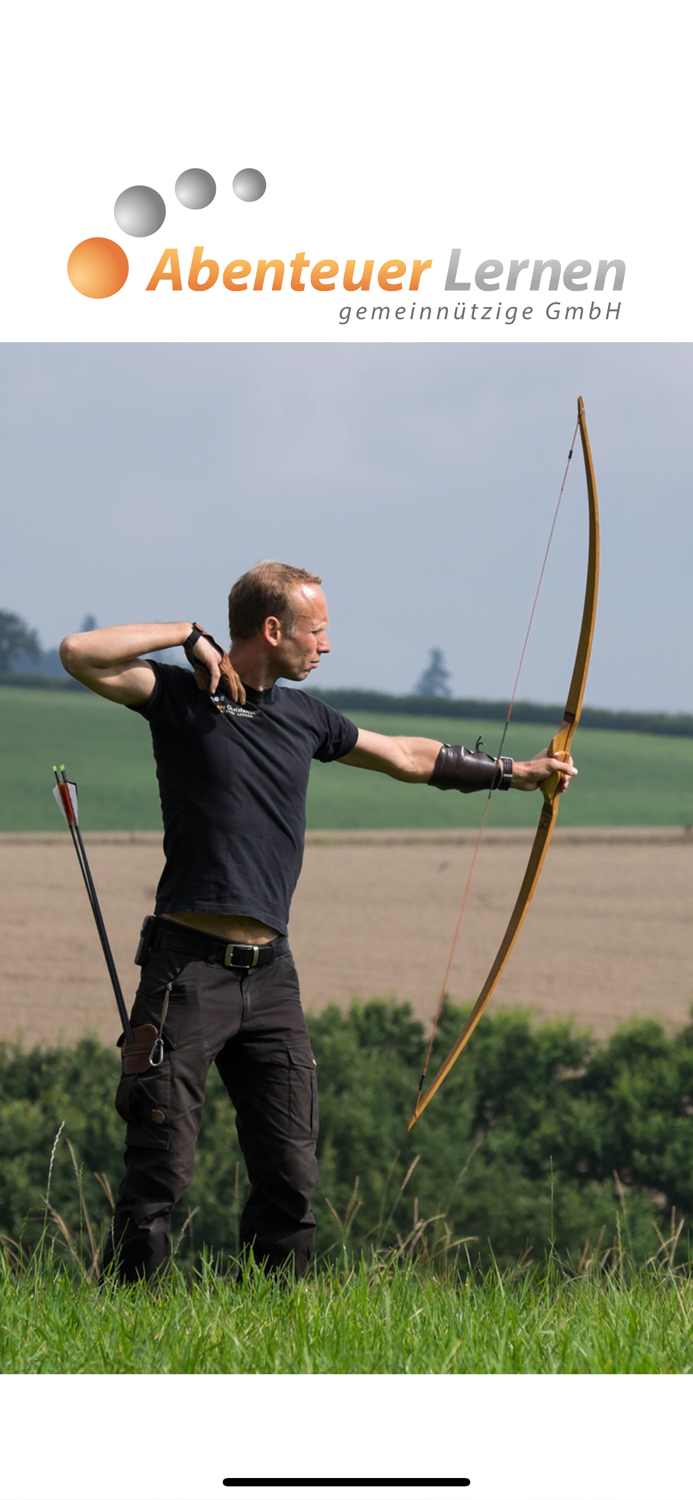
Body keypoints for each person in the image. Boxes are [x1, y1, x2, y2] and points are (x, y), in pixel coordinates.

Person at [60, 561, 576, 1282]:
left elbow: (405, 756)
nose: (326, 645)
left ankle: (279, 1318)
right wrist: (188, 633)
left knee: (290, 1173)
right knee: (160, 1167)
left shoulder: (306, 717)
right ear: (273, 630)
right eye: (317, 630)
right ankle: (124, 1313)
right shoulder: (181, 697)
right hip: (188, 972)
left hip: (272, 980)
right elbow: (78, 653)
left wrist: (517, 774)